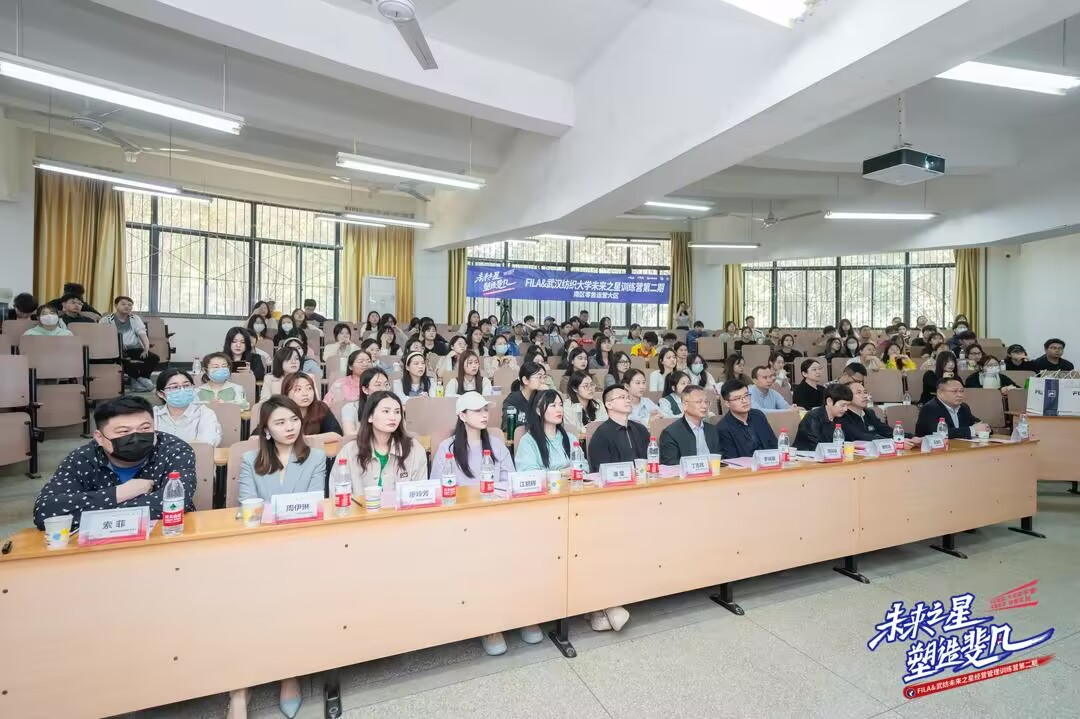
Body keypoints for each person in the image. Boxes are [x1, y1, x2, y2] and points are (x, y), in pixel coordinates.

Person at [233, 395, 325, 718]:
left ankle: (289, 673)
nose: (290, 427)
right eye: (280, 422)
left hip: (302, 545)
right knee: (242, 605)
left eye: (294, 420)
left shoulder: (316, 457)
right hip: (260, 545)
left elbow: (314, 503)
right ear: (266, 429)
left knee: (294, 598)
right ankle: (239, 687)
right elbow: (248, 505)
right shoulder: (249, 459)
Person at [428, 392, 533, 657]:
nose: (484, 415)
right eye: (477, 411)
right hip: (462, 522)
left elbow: (511, 480)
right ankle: (490, 625)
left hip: (498, 516)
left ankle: (524, 614)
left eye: (485, 410)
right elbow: (438, 488)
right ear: (462, 416)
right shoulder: (448, 447)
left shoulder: (496, 444)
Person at [33, 395, 196, 530]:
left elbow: (175, 503)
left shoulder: (174, 450)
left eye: (145, 428)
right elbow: (46, 511)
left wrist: (92, 513)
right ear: (99, 437)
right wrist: (121, 492)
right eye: (124, 431)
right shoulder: (83, 458)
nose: (136, 437)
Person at [340, 391, 427, 495]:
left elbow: (421, 494)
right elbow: (337, 495)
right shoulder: (349, 451)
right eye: (386, 411)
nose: (393, 417)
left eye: (397, 412)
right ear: (370, 416)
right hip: (360, 506)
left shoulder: (414, 449)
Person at [99, 296, 159, 391]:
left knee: (153, 358)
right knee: (124, 361)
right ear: (116, 306)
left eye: (130, 305)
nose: (127, 306)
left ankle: (141, 380)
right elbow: (102, 337)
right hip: (114, 350)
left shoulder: (135, 318)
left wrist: (146, 347)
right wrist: (117, 343)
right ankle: (140, 380)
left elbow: (142, 333)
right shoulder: (106, 320)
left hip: (133, 348)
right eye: (123, 304)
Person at [153, 369, 223, 446]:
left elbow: (206, 444)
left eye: (186, 385)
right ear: (161, 393)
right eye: (175, 387)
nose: (182, 390)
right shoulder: (153, 414)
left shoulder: (204, 413)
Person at [588, 385, 650, 471]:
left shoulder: (641, 429)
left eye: (628, 397)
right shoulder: (601, 435)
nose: (628, 400)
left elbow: (651, 461)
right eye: (622, 397)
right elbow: (601, 470)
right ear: (609, 404)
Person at [658, 385, 723, 464]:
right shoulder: (670, 433)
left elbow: (721, 457)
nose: (705, 406)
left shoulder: (712, 430)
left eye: (706, 402)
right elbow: (671, 464)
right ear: (685, 405)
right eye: (699, 402)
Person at [715, 380, 777, 458]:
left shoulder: (758, 415)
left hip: (770, 462)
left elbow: (773, 444)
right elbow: (732, 459)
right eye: (738, 398)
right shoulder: (723, 428)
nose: (744, 401)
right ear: (727, 403)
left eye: (746, 395)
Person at [514, 389, 573, 472]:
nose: (559, 409)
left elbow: (583, 466)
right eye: (553, 405)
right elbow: (529, 473)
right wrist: (562, 473)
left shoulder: (570, 438)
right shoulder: (528, 441)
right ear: (538, 411)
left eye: (560, 405)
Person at [841, 382, 914, 447]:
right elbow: (860, 436)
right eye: (859, 392)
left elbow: (886, 431)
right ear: (847, 396)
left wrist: (912, 437)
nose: (865, 396)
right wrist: (892, 442)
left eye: (865, 392)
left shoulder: (869, 413)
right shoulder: (843, 415)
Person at [916, 377, 991, 439]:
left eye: (961, 391)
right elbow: (939, 433)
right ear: (940, 393)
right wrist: (972, 430)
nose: (959, 395)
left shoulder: (963, 407)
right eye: (954, 391)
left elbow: (977, 423)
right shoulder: (929, 408)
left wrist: (985, 428)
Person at [793, 384, 853, 451]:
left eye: (848, 405)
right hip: (807, 455)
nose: (846, 409)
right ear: (829, 401)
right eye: (843, 405)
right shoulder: (813, 418)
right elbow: (816, 446)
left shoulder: (842, 417)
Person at [341, 368, 392, 435]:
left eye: (386, 384)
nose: (384, 389)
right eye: (378, 385)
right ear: (365, 390)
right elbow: (349, 433)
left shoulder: (394, 407)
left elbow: (401, 433)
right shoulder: (350, 408)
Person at [502, 362, 548, 434]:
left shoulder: (544, 398)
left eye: (544, 377)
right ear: (525, 380)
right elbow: (508, 426)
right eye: (539, 377)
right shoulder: (512, 400)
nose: (543, 381)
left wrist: (547, 397)